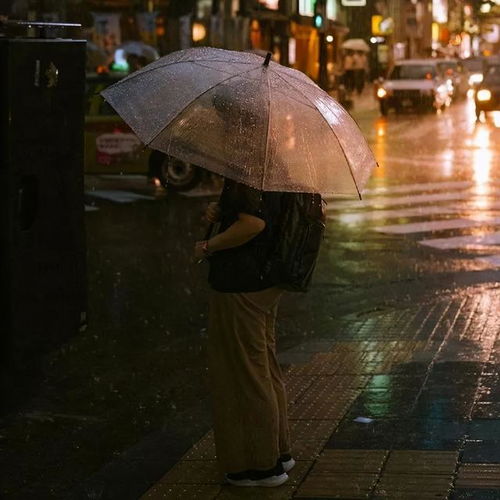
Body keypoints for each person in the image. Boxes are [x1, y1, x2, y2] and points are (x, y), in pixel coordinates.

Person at [194, 179, 295, 487]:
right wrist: (223, 211)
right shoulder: (280, 168)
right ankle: (278, 452)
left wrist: (208, 245)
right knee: (263, 365)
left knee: (240, 374)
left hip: (240, 284)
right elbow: (263, 215)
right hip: (267, 278)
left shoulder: (245, 167)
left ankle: (258, 467)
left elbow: (252, 223)